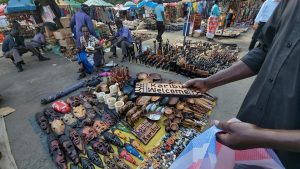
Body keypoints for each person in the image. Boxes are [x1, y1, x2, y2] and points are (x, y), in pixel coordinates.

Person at [184, 1, 300, 168]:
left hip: (288, 159)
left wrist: (261, 137)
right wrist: (208, 82)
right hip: (247, 127)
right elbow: (263, 50)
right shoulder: (289, 3)